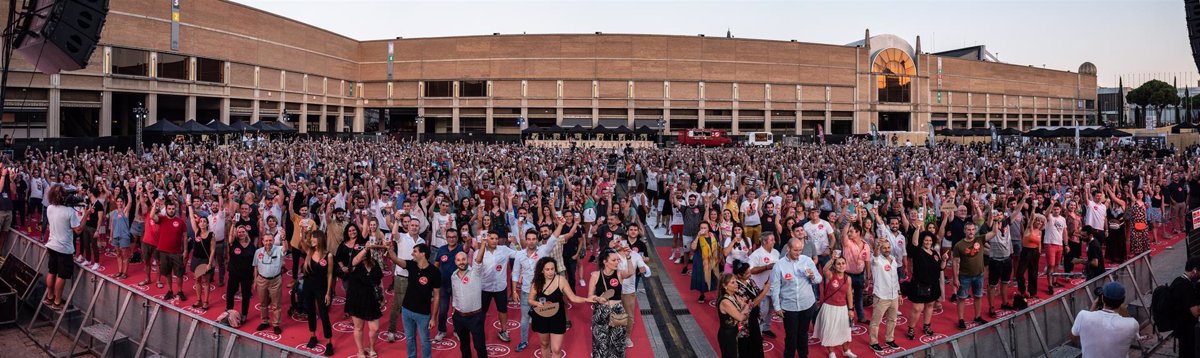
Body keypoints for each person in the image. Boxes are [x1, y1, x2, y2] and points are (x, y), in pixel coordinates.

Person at [378, 242, 440, 358]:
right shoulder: (411, 265)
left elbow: (437, 296)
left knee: (424, 341)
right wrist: (389, 249)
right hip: (406, 310)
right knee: (410, 339)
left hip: (423, 314)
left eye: (415, 251)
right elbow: (396, 259)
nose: (412, 254)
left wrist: (433, 317)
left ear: (422, 254)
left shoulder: (434, 272)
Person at [528, 256, 592, 358]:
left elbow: (573, 298)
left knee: (556, 349)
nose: (550, 272)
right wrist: (537, 304)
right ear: (541, 270)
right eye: (547, 269)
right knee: (544, 345)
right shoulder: (537, 282)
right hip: (541, 316)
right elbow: (530, 300)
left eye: (552, 269)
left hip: (557, 317)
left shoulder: (561, 280)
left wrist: (586, 299)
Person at [771, 238, 821, 358]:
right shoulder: (779, 265)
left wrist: (812, 276)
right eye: (795, 250)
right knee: (791, 336)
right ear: (788, 248)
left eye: (800, 250)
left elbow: (819, 279)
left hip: (807, 305)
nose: (798, 253)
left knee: (803, 334)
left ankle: (804, 355)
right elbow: (775, 287)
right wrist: (777, 307)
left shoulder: (807, 261)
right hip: (789, 307)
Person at [42, 185, 90, 311]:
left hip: (51, 245)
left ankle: (49, 297)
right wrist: (86, 215)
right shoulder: (69, 212)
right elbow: (78, 230)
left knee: (52, 271)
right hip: (64, 248)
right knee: (61, 275)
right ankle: (57, 302)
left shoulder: (50, 208)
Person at [1070, 282, 1138, 358]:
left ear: (1102, 298)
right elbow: (1132, 338)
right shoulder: (1132, 324)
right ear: (1123, 300)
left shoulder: (1083, 316)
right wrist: (1123, 311)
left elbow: (1074, 338)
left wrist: (1092, 308)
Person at [384, 217, 423, 343]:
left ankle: (411, 330)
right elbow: (394, 234)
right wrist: (396, 220)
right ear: (408, 226)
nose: (414, 227)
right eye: (412, 225)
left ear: (419, 227)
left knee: (414, 304)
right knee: (397, 305)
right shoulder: (402, 237)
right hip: (401, 277)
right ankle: (391, 330)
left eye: (417, 225)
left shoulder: (422, 241)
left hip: (415, 277)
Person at [347, 236, 385, 358]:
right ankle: (360, 351)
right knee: (359, 327)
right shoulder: (354, 264)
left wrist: (382, 296)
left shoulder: (374, 263)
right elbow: (354, 261)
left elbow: (379, 281)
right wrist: (365, 249)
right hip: (357, 298)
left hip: (372, 298)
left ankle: (372, 347)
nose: (363, 251)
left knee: (375, 328)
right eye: (361, 250)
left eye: (365, 249)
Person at [590, 248, 631, 358]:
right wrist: (598, 299)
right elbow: (590, 296)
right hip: (600, 313)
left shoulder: (619, 274)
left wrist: (628, 257)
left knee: (617, 345)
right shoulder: (595, 275)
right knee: (600, 345)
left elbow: (630, 273)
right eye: (614, 260)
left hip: (617, 312)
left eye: (618, 260)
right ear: (605, 261)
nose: (617, 262)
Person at [477, 231, 518, 342]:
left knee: (503, 310)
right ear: (486, 239)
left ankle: (504, 331)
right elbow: (476, 266)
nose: (495, 240)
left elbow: (519, 254)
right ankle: (479, 332)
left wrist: (516, 243)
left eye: (496, 238)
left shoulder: (504, 249)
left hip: (500, 287)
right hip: (484, 287)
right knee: (482, 312)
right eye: (492, 238)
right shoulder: (480, 251)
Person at [813, 256, 856, 358]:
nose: (841, 266)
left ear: (846, 264)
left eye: (843, 263)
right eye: (838, 264)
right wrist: (832, 259)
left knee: (845, 330)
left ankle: (846, 350)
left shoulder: (848, 278)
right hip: (829, 308)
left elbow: (849, 294)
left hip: (842, 308)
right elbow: (824, 269)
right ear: (835, 266)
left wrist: (850, 309)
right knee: (830, 331)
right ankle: (831, 352)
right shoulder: (830, 275)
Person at [300, 231, 335, 355]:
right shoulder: (309, 251)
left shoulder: (328, 255)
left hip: (321, 288)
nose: (312, 240)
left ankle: (329, 342)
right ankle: (313, 336)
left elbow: (330, 275)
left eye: (314, 238)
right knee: (310, 312)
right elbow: (302, 241)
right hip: (308, 287)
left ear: (320, 239)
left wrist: (328, 293)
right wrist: (303, 231)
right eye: (312, 238)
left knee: (324, 315)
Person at [906, 232, 945, 340]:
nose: (928, 242)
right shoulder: (918, 251)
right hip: (920, 284)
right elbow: (914, 242)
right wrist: (918, 228)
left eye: (930, 240)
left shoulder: (935, 253)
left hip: (933, 284)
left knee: (930, 305)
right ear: (922, 241)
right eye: (926, 240)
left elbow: (941, 268)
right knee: (917, 308)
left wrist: (945, 260)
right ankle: (911, 328)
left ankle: (926, 326)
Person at [951, 223, 988, 330]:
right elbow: (955, 263)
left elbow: (994, 233)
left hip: (979, 275)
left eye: (973, 229)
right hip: (964, 276)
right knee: (961, 298)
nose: (971, 232)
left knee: (978, 296)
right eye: (968, 230)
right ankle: (961, 320)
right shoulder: (959, 245)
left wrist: (995, 220)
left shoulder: (980, 239)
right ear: (964, 231)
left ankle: (977, 317)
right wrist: (955, 278)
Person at [867, 238, 901, 352]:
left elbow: (895, 278)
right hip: (881, 296)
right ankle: (873, 342)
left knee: (892, 320)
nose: (887, 250)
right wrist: (877, 246)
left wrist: (899, 293)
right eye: (884, 248)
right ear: (880, 249)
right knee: (876, 322)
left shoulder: (893, 259)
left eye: (888, 247)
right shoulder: (876, 260)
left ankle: (889, 339)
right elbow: (875, 255)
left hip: (894, 295)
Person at [431, 228, 464, 341]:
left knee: (458, 311)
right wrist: (434, 279)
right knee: (443, 310)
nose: (451, 239)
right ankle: (441, 330)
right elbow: (435, 265)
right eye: (449, 237)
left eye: (454, 237)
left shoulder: (461, 248)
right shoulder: (441, 249)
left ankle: (457, 330)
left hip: (458, 286)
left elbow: (468, 247)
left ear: (457, 238)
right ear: (446, 237)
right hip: (443, 286)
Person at [153, 198, 188, 302]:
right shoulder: (161, 219)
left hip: (177, 252)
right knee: (167, 273)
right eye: (169, 208)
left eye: (173, 209)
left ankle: (180, 291)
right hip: (163, 252)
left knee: (179, 274)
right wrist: (155, 204)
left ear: (175, 209)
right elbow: (151, 216)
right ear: (166, 209)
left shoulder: (180, 222)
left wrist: (185, 250)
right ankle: (169, 291)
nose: (171, 210)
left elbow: (185, 237)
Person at [733, 260, 770, 358]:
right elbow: (751, 304)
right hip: (745, 321)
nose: (750, 274)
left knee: (757, 344)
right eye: (747, 273)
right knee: (746, 346)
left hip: (754, 318)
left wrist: (765, 286)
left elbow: (757, 294)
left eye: (750, 271)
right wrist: (765, 291)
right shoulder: (736, 287)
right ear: (739, 275)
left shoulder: (750, 281)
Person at [455, 249, 487, 358]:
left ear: (468, 259)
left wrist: (482, 244)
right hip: (459, 317)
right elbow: (455, 295)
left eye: (463, 259)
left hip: (475, 317)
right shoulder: (453, 276)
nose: (461, 262)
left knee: (479, 346)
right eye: (458, 260)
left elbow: (478, 261)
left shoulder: (475, 273)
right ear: (455, 262)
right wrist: (454, 310)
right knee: (464, 346)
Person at [748, 232, 780, 338]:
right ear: (764, 241)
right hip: (760, 288)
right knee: (762, 311)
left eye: (774, 239)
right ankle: (758, 331)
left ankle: (766, 328)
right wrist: (766, 267)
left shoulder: (776, 252)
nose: (774, 242)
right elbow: (751, 270)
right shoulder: (756, 254)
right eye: (771, 240)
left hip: (773, 287)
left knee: (770, 309)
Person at [184, 202, 215, 310]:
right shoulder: (196, 232)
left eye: (204, 222)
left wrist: (209, 263)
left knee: (206, 282)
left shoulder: (211, 235)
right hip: (196, 259)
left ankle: (206, 301)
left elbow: (212, 250)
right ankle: (198, 300)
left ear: (207, 224)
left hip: (205, 260)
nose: (202, 223)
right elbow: (192, 218)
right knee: (197, 280)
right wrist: (189, 206)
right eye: (201, 221)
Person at [252, 233, 285, 334]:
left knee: (276, 304)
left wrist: (284, 239)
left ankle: (276, 324)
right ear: (262, 242)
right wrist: (255, 280)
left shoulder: (279, 249)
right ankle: (264, 321)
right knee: (263, 303)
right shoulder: (258, 252)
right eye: (266, 241)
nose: (268, 243)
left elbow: (285, 248)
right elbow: (256, 267)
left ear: (274, 241)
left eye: (270, 240)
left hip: (275, 281)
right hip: (261, 280)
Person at [1168, 256, 1200, 358]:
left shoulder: (1178, 280)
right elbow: (1196, 312)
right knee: (1188, 352)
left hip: (1181, 326)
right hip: (1186, 328)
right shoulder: (1185, 286)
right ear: (1195, 270)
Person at [717, 273, 751, 358]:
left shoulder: (734, 295)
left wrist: (744, 310)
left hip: (735, 332)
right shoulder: (725, 301)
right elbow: (740, 317)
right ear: (725, 286)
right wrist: (744, 312)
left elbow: (745, 305)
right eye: (732, 282)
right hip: (727, 335)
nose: (736, 284)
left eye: (736, 281)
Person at [225, 226, 255, 317]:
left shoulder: (252, 246)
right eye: (239, 232)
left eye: (243, 231)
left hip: (247, 275)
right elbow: (230, 238)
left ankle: (244, 314)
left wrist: (254, 276)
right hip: (234, 273)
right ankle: (229, 312)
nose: (241, 233)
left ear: (246, 233)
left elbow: (254, 262)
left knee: (246, 295)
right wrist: (233, 225)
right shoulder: (233, 243)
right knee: (230, 293)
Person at [691, 221, 720, 303]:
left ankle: (717, 296)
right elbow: (693, 248)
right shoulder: (698, 237)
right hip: (701, 260)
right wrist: (698, 236)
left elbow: (717, 246)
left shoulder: (713, 235)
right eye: (701, 228)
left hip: (713, 260)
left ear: (708, 228)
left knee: (715, 278)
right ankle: (702, 294)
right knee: (702, 278)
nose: (703, 229)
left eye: (705, 228)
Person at [108, 187, 133, 279]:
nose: (119, 203)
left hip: (124, 236)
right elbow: (112, 226)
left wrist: (127, 189)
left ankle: (124, 273)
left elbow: (130, 202)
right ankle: (120, 271)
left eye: (121, 201)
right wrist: (111, 237)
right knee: (118, 254)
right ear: (116, 202)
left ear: (123, 202)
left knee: (125, 255)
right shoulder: (113, 213)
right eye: (118, 201)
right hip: (115, 236)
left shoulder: (125, 211)